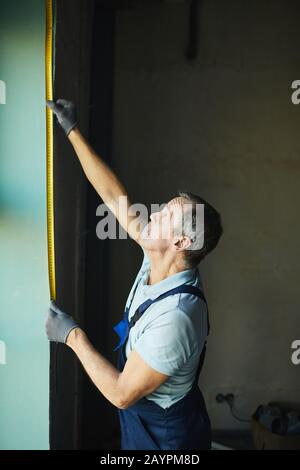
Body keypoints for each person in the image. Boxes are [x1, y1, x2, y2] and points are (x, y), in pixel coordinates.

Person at [45, 99, 223, 450]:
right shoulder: (158, 256)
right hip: (142, 418)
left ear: (181, 241)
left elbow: (123, 393)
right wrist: (72, 130)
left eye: (164, 215)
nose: (152, 215)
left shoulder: (178, 317)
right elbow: (116, 199)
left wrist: (72, 336)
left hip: (169, 438)